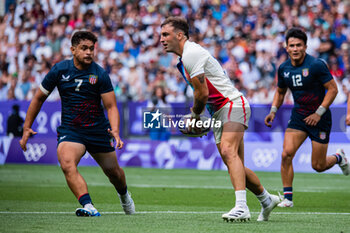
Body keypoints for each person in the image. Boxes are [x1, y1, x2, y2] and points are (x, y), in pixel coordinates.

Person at [160, 16, 280, 222]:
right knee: (234, 162)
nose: (161, 39)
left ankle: (241, 207)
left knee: (227, 150)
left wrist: (195, 117)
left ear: (179, 35)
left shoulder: (191, 53)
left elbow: (202, 94)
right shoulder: (184, 59)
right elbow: (204, 94)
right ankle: (266, 199)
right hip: (219, 110)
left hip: (232, 103)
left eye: (165, 34)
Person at [19, 31, 135, 217]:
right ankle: (88, 205)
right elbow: (39, 98)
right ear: (73, 50)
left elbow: (111, 106)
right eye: (84, 48)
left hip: (97, 130)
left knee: (114, 173)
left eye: (91, 48)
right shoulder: (59, 70)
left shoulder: (100, 73)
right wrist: (26, 127)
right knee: (66, 163)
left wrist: (114, 130)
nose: (89, 52)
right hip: (71, 131)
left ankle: (124, 196)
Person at [264, 28, 350, 208]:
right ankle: (288, 198)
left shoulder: (316, 65)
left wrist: (318, 113)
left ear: (305, 46)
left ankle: (339, 158)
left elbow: (333, 89)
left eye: (298, 45)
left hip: (320, 118)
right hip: (299, 116)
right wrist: (273, 111)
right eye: (291, 45)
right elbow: (280, 92)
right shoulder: (284, 68)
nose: (295, 49)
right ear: (286, 48)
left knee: (318, 166)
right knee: (286, 153)